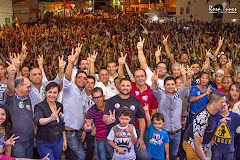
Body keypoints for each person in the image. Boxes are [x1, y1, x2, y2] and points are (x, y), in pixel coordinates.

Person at [151, 66, 193, 160]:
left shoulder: (179, 94)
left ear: (175, 85)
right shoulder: (161, 95)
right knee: (161, 154)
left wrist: (188, 77)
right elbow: (155, 89)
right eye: (168, 84)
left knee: (173, 154)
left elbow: (186, 86)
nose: (170, 86)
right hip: (163, 132)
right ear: (164, 86)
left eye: (172, 84)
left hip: (177, 132)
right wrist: (154, 82)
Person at [103, 78, 150, 160]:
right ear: (119, 87)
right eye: (123, 85)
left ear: (131, 87)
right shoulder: (111, 100)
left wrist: (141, 138)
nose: (125, 87)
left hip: (132, 136)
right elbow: (104, 118)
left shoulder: (136, 101)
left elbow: (141, 119)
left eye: (128, 85)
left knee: (145, 157)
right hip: (114, 138)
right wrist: (108, 120)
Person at [183, 90, 227, 160]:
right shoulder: (202, 118)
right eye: (222, 102)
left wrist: (210, 138)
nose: (225, 104)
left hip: (204, 144)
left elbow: (212, 123)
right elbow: (197, 145)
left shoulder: (217, 112)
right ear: (214, 103)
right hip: (192, 144)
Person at [4, 58, 34, 158]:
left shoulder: (27, 98)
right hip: (17, 142)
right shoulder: (10, 98)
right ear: (20, 86)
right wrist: (11, 75)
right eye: (28, 87)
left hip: (29, 140)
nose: (30, 89)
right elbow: (10, 89)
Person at [62, 50, 87, 160]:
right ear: (75, 79)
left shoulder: (83, 93)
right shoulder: (69, 88)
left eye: (84, 78)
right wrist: (70, 64)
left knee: (72, 157)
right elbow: (67, 77)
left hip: (78, 131)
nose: (82, 80)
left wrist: (84, 130)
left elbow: (83, 112)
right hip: (69, 132)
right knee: (82, 156)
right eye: (79, 77)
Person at [34, 82, 67, 160]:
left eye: (55, 93)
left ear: (58, 94)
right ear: (45, 93)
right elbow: (38, 121)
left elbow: (62, 124)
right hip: (44, 142)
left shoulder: (59, 106)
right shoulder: (39, 106)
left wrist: (64, 140)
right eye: (50, 92)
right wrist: (50, 119)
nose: (52, 95)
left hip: (58, 140)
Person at [85, 87, 108, 160]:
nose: (98, 100)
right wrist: (88, 125)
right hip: (100, 138)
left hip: (113, 137)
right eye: (95, 98)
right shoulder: (91, 110)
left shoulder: (110, 104)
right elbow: (88, 120)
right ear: (92, 99)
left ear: (103, 97)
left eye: (99, 97)